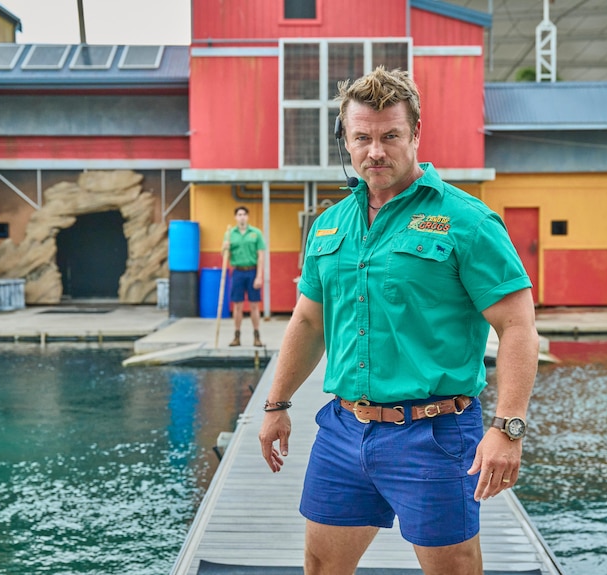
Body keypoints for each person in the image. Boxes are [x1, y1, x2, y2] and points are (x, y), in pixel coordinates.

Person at [258, 66, 539, 575]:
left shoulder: (466, 220)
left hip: (434, 435)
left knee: (453, 569)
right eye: (362, 137)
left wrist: (508, 428)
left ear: (415, 135)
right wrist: (276, 404)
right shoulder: (329, 225)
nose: (376, 151)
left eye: (390, 136)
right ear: (345, 139)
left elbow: (518, 326)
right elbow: (307, 321)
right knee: (320, 566)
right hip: (343, 430)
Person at [223, 206, 265, 347]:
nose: (242, 217)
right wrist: (225, 247)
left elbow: (261, 256)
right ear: (235, 217)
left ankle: (257, 336)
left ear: (247, 217)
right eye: (239, 214)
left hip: (252, 271)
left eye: (244, 214)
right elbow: (224, 256)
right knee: (237, 306)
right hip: (238, 272)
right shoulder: (230, 234)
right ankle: (237, 336)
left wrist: (259, 276)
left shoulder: (256, 233)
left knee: (254, 305)